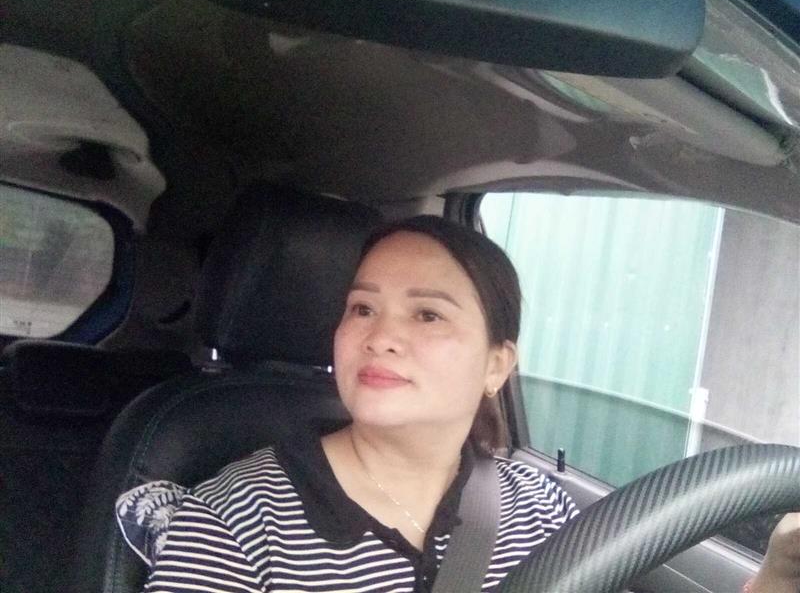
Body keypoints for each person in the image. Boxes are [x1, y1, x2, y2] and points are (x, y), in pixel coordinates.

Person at [134, 216, 798, 592]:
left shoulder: (540, 507)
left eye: (427, 315)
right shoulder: (233, 519)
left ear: (496, 364)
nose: (381, 336)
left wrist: (776, 576)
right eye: (362, 308)